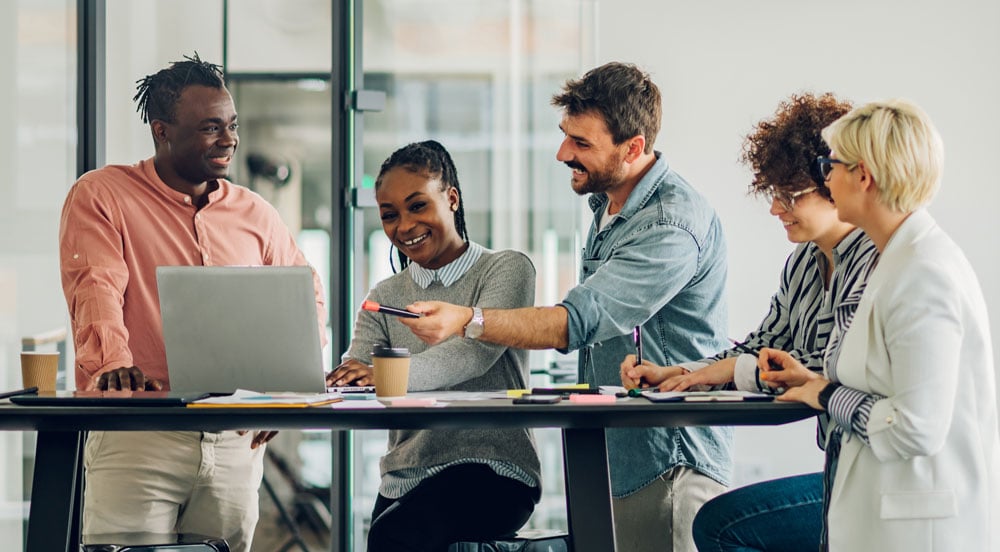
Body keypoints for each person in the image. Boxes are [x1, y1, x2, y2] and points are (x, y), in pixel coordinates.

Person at [397, 62, 731, 552]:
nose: (562, 153)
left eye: (581, 143)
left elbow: (578, 321)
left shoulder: (669, 224)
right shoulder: (610, 207)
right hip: (614, 456)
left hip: (669, 464)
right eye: (564, 136)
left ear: (633, 147)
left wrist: (469, 319)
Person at [59, 53, 326, 551]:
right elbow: (96, 286)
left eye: (231, 125)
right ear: (162, 131)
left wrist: (286, 389)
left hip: (234, 442)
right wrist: (113, 363)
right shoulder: (103, 195)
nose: (228, 139)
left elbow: (304, 294)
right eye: (210, 127)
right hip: (140, 434)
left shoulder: (255, 213)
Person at [620, 93, 877, 551]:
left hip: (874, 480)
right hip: (843, 469)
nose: (776, 209)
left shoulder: (873, 260)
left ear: (834, 183)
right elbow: (765, 345)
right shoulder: (805, 261)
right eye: (772, 194)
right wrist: (684, 374)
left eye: (789, 196)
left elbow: (817, 369)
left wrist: (731, 372)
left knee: (721, 526)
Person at [760, 99, 1000, 550]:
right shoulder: (897, 259)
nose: (825, 178)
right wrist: (814, 383)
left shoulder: (924, 272)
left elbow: (915, 427)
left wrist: (826, 394)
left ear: (863, 176)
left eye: (829, 165)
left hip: (918, 530)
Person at [326, 140, 541, 551]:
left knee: (396, 536)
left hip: (493, 467)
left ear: (452, 199)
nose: (404, 226)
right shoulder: (384, 293)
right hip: (406, 474)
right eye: (390, 215)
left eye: (417, 206)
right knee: (384, 538)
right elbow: (356, 366)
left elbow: (473, 353)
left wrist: (382, 376)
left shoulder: (507, 269)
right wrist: (347, 378)